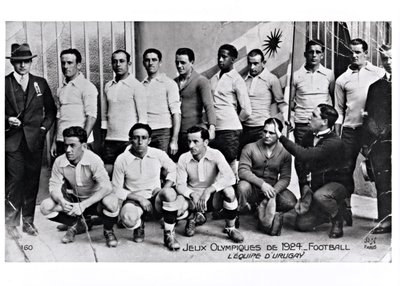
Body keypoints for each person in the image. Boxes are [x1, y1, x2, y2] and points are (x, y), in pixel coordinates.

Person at [5, 43, 56, 239]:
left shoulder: (40, 83)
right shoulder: (5, 83)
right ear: (13, 63)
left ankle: (28, 222)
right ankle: (10, 224)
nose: (23, 65)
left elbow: (51, 111)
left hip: (35, 142)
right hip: (12, 142)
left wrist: (43, 129)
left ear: (31, 62)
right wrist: (7, 119)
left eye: (26, 61)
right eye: (19, 62)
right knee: (14, 182)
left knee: (31, 182)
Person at [275, 104, 348, 238]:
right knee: (301, 224)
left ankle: (338, 217)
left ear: (324, 122)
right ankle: (326, 211)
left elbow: (304, 154)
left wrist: (281, 137)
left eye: (314, 115)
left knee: (321, 196)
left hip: (337, 185)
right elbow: (300, 161)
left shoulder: (334, 142)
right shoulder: (309, 135)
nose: (309, 118)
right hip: (317, 186)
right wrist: (304, 185)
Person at [40, 127, 119, 247]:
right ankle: (75, 224)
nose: (68, 150)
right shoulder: (59, 161)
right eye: (66, 145)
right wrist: (61, 201)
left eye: (73, 145)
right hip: (75, 200)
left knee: (112, 203)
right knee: (46, 207)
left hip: (95, 201)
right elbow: (54, 186)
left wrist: (83, 205)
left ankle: (108, 230)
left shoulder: (94, 159)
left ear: (84, 146)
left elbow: (107, 187)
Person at [334, 38, 385, 221]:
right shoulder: (342, 79)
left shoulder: (379, 73)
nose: (354, 55)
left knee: (378, 171)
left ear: (366, 53)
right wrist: (338, 134)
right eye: (351, 52)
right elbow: (339, 110)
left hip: (373, 132)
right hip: (349, 131)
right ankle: (345, 209)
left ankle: (384, 216)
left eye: (358, 52)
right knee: (345, 169)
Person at [112, 123, 181, 251]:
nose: (140, 141)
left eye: (144, 138)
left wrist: (165, 187)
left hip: (155, 197)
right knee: (128, 218)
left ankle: (169, 234)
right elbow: (116, 189)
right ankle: (139, 223)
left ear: (149, 140)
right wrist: (138, 198)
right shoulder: (122, 159)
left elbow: (173, 170)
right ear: (130, 140)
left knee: (169, 193)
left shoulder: (158, 154)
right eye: (136, 137)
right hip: (134, 199)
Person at [172, 126, 244, 244]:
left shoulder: (216, 154)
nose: (191, 146)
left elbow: (230, 177)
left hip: (212, 196)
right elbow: (180, 185)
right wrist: (192, 194)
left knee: (229, 191)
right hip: (193, 197)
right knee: (178, 208)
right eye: (189, 141)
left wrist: (210, 190)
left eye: (195, 141)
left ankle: (231, 228)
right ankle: (192, 217)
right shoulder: (183, 158)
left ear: (205, 142)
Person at [237, 118, 296, 235]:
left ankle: (263, 209)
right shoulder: (250, 147)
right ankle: (247, 208)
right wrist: (262, 184)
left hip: (272, 189)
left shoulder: (285, 151)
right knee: (242, 187)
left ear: (279, 134)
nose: (266, 135)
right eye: (265, 131)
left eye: (271, 133)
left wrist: (274, 191)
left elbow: (285, 178)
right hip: (253, 187)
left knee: (290, 202)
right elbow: (243, 171)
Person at [101, 49, 147, 175]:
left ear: (129, 64)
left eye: (122, 61)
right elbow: (105, 115)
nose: (118, 64)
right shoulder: (108, 86)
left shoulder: (137, 86)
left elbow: (142, 118)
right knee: (109, 173)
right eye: (115, 62)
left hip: (128, 140)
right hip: (110, 139)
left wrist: (137, 139)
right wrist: (105, 136)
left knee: (129, 173)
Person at [362, 44, 392, 234]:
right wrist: (368, 141)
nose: (388, 62)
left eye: (391, 58)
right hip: (380, 142)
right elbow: (367, 114)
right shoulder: (375, 87)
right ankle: (385, 220)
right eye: (384, 59)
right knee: (382, 180)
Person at [209, 44, 252, 177]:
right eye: (219, 57)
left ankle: (233, 196)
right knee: (214, 169)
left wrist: (234, 122)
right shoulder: (213, 78)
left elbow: (247, 110)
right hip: (214, 130)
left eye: (224, 57)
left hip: (230, 131)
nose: (220, 60)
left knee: (229, 168)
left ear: (233, 59)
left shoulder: (237, 80)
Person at [51, 48, 98, 157]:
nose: (65, 66)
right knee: (63, 172)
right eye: (63, 63)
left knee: (81, 173)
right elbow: (58, 116)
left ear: (79, 65)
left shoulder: (88, 87)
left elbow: (91, 116)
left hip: (79, 142)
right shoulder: (60, 89)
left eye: (70, 63)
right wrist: (54, 142)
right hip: (61, 141)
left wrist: (82, 142)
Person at [174, 47, 216, 158]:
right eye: (177, 62)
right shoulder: (174, 82)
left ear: (192, 62)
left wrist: (212, 128)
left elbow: (209, 105)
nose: (179, 66)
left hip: (195, 132)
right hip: (178, 132)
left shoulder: (201, 80)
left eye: (183, 62)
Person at [241, 49, 287, 148]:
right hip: (244, 128)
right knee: (244, 159)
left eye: (256, 63)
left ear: (263, 63)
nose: (252, 67)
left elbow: (281, 102)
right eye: (250, 63)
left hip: (262, 128)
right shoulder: (243, 80)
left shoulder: (272, 79)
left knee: (261, 159)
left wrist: (287, 117)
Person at [291, 39, 335, 144]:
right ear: (305, 54)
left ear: (322, 55)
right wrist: (292, 118)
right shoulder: (296, 75)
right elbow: (290, 102)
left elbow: (334, 100)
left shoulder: (329, 74)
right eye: (311, 52)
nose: (314, 55)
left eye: (318, 52)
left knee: (322, 158)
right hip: (302, 124)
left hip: (322, 124)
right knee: (302, 157)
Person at [142, 48, 181, 156]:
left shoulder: (169, 83)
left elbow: (176, 113)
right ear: (143, 63)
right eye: (147, 60)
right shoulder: (140, 86)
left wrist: (174, 140)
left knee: (164, 168)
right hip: (145, 133)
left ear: (160, 62)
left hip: (163, 133)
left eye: (154, 60)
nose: (150, 63)